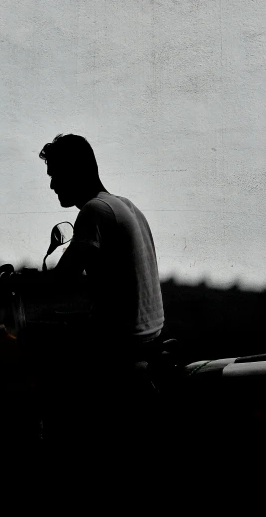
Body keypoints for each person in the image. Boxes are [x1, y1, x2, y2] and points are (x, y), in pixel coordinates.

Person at [37, 133, 165, 491]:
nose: (51, 184)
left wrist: (18, 284)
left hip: (120, 349)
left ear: (75, 171)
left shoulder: (94, 211)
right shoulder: (125, 205)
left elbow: (63, 280)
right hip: (145, 338)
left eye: (55, 173)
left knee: (45, 386)